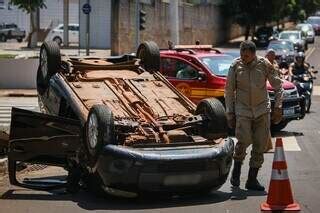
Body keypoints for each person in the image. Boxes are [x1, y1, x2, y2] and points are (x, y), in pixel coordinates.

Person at [225, 41, 283, 191]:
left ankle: (252, 179)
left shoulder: (264, 65)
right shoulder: (235, 66)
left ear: (253, 54)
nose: (243, 58)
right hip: (243, 110)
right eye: (241, 55)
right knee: (243, 141)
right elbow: (229, 91)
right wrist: (230, 113)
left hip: (262, 110)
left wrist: (278, 106)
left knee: (260, 144)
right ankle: (237, 169)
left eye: (246, 55)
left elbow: (278, 86)